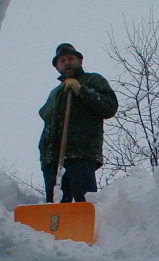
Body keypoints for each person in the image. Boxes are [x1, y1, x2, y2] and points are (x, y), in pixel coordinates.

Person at [38, 43, 118, 202]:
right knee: (55, 207)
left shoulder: (93, 80)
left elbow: (109, 107)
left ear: (80, 61)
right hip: (52, 158)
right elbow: (45, 114)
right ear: (57, 67)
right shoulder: (55, 93)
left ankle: (88, 226)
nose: (67, 62)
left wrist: (81, 90)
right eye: (62, 60)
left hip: (80, 152)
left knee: (84, 200)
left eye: (70, 58)